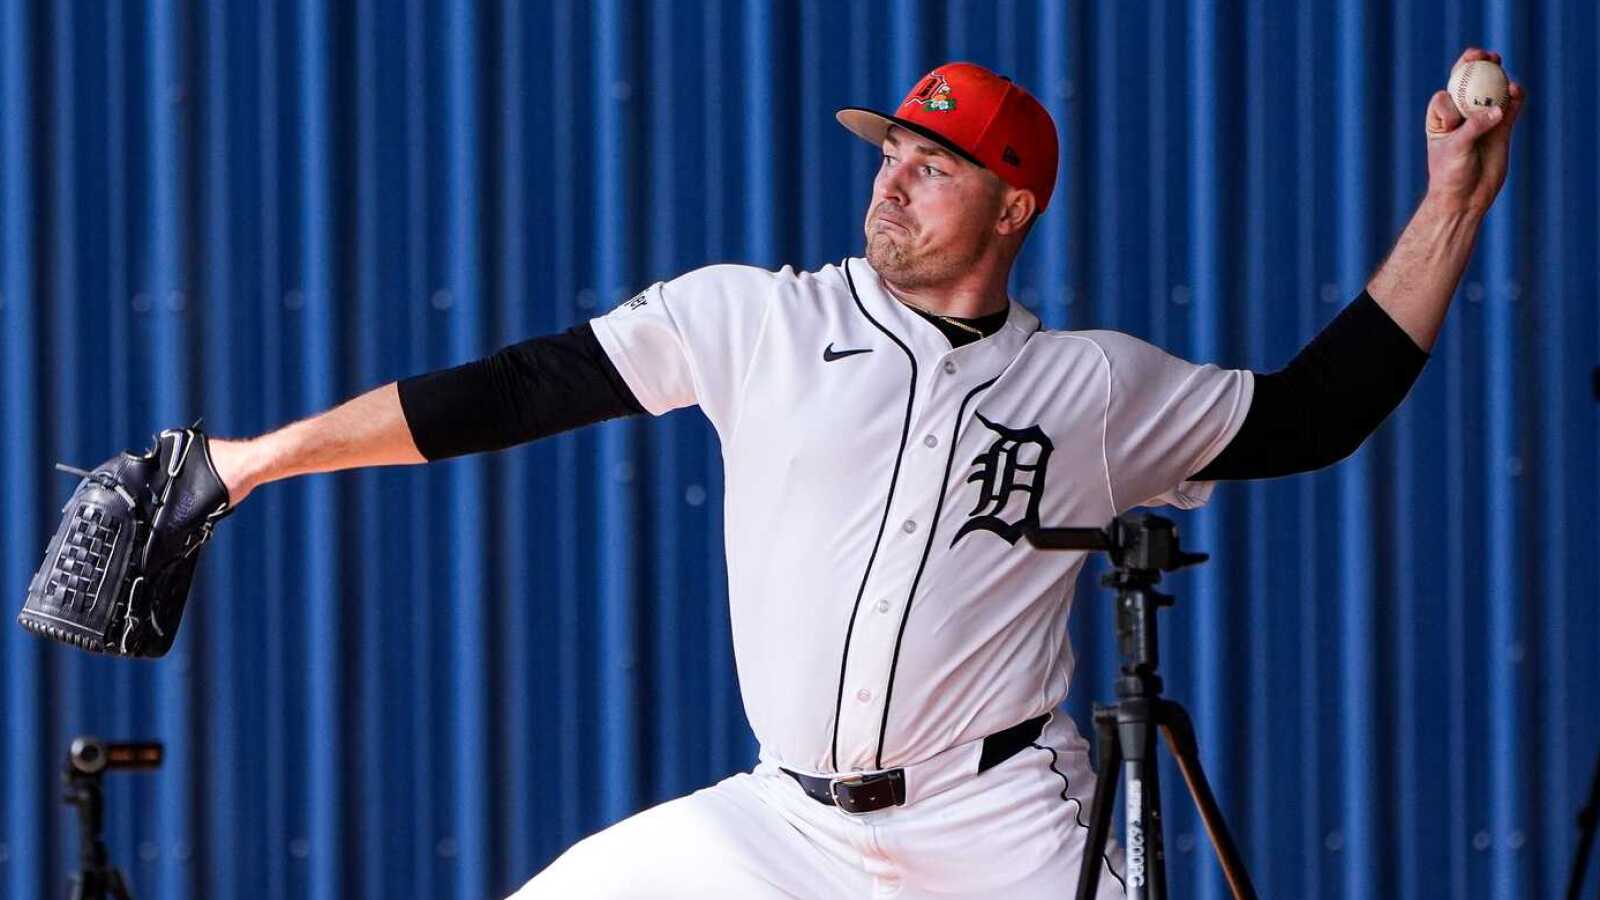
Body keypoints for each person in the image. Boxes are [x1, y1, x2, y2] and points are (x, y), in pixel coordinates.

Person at [205, 51, 1523, 899]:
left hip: (1004, 824)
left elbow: (1315, 413)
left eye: (935, 162)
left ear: (1013, 208)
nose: (895, 176)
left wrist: (1452, 201)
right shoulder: (754, 319)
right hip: (785, 830)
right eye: (891, 149)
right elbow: (509, 389)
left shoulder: (1094, 387)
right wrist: (254, 461)